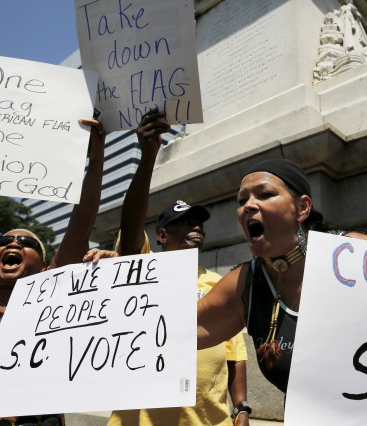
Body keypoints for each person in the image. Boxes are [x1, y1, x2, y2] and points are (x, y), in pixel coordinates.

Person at [196, 158, 367, 393]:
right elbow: (177, 332)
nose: (248, 205)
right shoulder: (245, 284)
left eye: (265, 194)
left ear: (302, 208)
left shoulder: (360, 254)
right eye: (242, 199)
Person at [88, 109, 250, 426]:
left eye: (199, 223)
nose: (196, 228)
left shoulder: (221, 282)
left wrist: (241, 407)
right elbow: (132, 227)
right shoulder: (141, 270)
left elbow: (235, 353)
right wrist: (148, 157)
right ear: (162, 235)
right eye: (184, 224)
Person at [0, 117, 106, 424]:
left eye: (25, 242)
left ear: (42, 262)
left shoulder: (51, 285)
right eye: (4, 241)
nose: (13, 244)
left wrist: (96, 160)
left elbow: (80, 227)